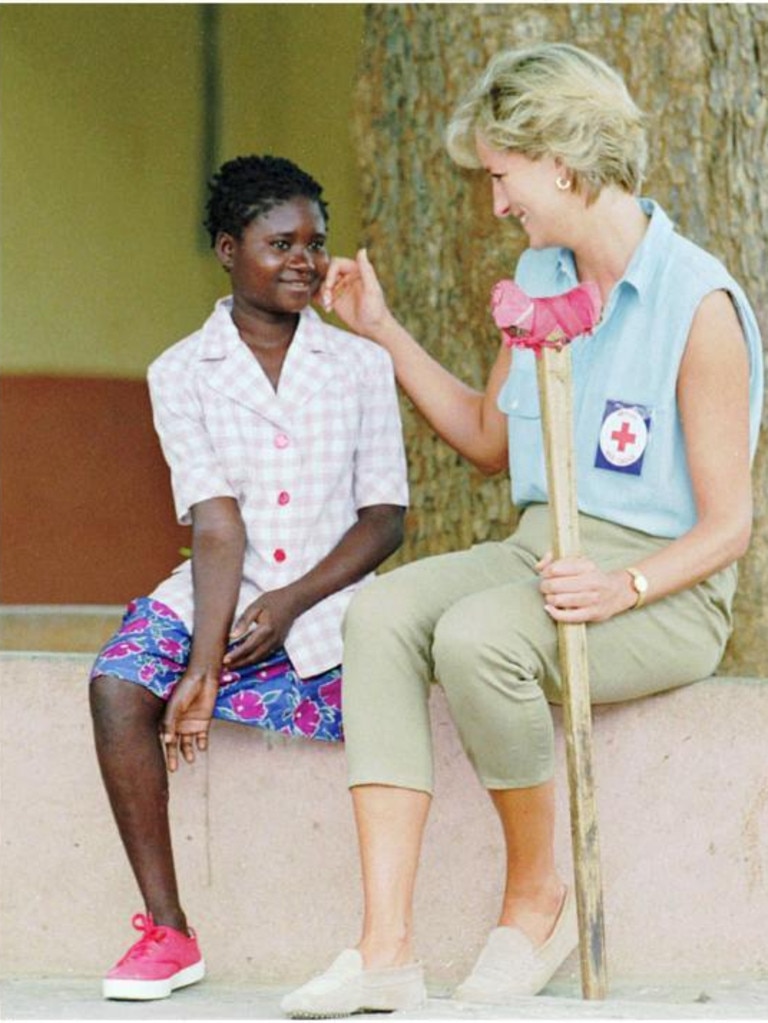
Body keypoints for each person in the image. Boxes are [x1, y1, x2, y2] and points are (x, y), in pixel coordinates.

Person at [281, 43, 764, 1017]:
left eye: (503, 176)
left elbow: (730, 528)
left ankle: (539, 900)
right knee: (376, 616)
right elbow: (491, 441)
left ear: (563, 160)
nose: (496, 202)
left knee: (478, 639)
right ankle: (385, 948)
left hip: (661, 588)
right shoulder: (540, 272)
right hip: (537, 549)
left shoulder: (697, 302)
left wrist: (620, 588)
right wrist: (382, 331)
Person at [88, 154, 408, 1001]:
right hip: (220, 594)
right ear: (229, 250)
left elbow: (386, 517)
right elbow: (216, 521)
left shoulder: (360, 366)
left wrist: (294, 597)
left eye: (315, 243)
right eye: (280, 243)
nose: (304, 260)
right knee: (119, 684)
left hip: (327, 597)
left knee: (387, 687)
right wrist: (203, 664)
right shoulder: (179, 372)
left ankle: (378, 940)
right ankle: (168, 930)